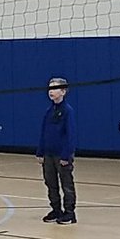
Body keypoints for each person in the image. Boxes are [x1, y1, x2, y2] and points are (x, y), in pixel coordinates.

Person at [36, 77, 77, 225]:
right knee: (50, 183)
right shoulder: (49, 111)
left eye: (54, 88)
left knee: (66, 183)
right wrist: (40, 151)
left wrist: (66, 155)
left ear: (63, 91)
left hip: (62, 154)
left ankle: (69, 213)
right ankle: (56, 209)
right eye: (49, 88)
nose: (51, 91)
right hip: (48, 154)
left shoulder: (67, 111)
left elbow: (70, 135)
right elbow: (44, 132)